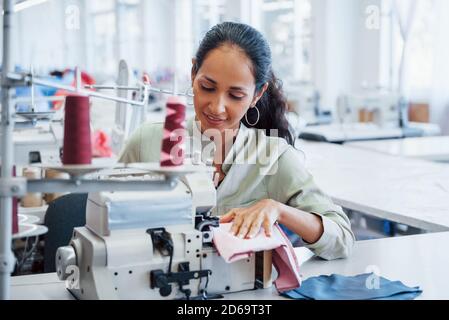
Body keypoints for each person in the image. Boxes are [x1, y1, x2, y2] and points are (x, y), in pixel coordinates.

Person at [119, 21, 354, 260]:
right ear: (193, 74)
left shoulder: (272, 157)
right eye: (207, 87)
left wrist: (278, 210)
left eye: (235, 95)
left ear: (257, 94)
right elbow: (103, 220)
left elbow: (342, 238)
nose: (217, 107)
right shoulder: (147, 142)